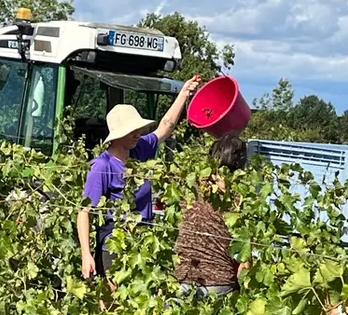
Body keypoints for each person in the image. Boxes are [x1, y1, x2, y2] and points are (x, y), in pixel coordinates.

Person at [77, 76, 201, 279]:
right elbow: (84, 211)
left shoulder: (140, 149)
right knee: (115, 306)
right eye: (132, 131)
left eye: (138, 130)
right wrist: (86, 254)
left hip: (143, 240)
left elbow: (165, 127)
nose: (138, 133)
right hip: (114, 243)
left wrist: (184, 94)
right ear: (118, 135)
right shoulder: (102, 165)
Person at [174, 132, 250, 298]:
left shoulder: (189, 187)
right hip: (219, 284)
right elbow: (244, 258)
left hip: (181, 279)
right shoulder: (238, 198)